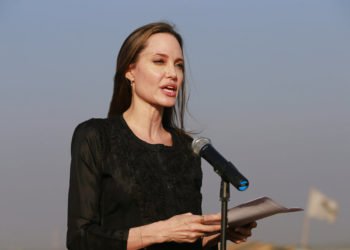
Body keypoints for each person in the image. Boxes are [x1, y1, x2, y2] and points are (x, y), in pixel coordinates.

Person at [67, 22, 256, 250]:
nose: (172, 74)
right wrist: (162, 232)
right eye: (159, 61)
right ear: (130, 70)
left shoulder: (189, 149)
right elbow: (80, 239)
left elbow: (184, 239)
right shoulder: (96, 136)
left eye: (179, 65)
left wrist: (216, 233)